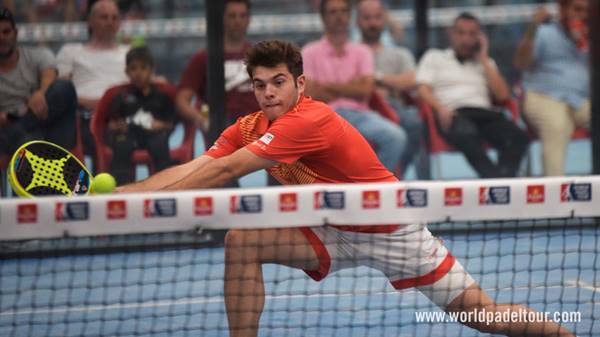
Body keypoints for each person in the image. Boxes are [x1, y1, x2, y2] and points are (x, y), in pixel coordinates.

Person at [117, 40, 575, 337]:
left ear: (299, 83)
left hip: (391, 228)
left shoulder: (308, 120)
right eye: (260, 86)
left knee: (481, 315)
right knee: (241, 242)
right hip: (333, 229)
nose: (268, 93)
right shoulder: (249, 125)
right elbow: (197, 165)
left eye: (279, 82)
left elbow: (221, 173)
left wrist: (134, 203)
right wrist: (123, 199)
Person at [416, 12, 528, 178]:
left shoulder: (487, 63)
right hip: (453, 114)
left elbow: (503, 95)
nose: (466, 39)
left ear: (479, 37)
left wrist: (483, 57)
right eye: (461, 33)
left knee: (517, 137)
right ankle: (498, 183)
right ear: (451, 34)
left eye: (471, 34)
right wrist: (440, 109)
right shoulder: (434, 57)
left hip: (484, 114)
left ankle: (501, 182)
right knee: (466, 132)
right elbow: (422, 89)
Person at [301, 0, 406, 173]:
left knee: (396, 137)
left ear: (350, 16)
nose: (339, 16)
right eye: (333, 12)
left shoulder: (362, 51)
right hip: (324, 116)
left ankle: (370, 184)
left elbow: (364, 90)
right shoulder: (309, 52)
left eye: (343, 11)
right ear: (323, 17)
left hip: (360, 116)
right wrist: (351, 86)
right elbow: (310, 93)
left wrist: (327, 86)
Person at [513, 0, 590, 176]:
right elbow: (520, 63)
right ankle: (555, 195)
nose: (582, 15)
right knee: (557, 124)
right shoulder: (545, 31)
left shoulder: (592, 35)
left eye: (586, 11)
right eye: (577, 9)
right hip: (543, 97)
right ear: (563, 9)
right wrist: (532, 28)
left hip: (579, 101)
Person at [357, 0, 429, 180]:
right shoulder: (351, 52)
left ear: (384, 20)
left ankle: (391, 176)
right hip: (359, 108)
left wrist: (377, 79)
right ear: (358, 21)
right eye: (367, 18)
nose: (372, 23)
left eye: (377, 17)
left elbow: (412, 80)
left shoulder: (399, 53)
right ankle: (372, 179)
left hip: (392, 106)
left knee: (414, 124)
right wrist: (389, 85)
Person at [56, 0, 129, 170]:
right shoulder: (71, 51)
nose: (110, 22)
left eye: (114, 17)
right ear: (89, 21)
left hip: (122, 116)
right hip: (82, 118)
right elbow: (60, 93)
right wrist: (99, 105)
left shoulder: (129, 53)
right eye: (104, 17)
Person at [0, 8, 77, 156]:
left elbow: (49, 72)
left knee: (64, 88)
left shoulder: (36, 55)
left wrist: (41, 92)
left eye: (6, 32)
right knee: (28, 141)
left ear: (15, 34)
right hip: (8, 131)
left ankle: (23, 126)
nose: (1, 37)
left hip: (41, 116)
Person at [176, 0, 259, 131]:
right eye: (232, 16)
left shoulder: (259, 55)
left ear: (249, 20)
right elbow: (182, 100)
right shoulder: (203, 58)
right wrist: (202, 120)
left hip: (257, 127)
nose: (237, 21)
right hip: (223, 129)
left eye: (242, 16)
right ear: (222, 19)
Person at [104, 46, 176, 185]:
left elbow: (171, 123)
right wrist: (116, 127)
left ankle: (167, 185)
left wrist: (160, 125)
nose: (138, 73)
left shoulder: (162, 96)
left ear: (152, 70)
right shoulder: (121, 97)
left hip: (154, 135)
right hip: (128, 135)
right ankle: (122, 188)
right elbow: (110, 124)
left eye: (143, 68)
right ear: (127, 71)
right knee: (121, 144)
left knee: (160, 142)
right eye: (133, 68)